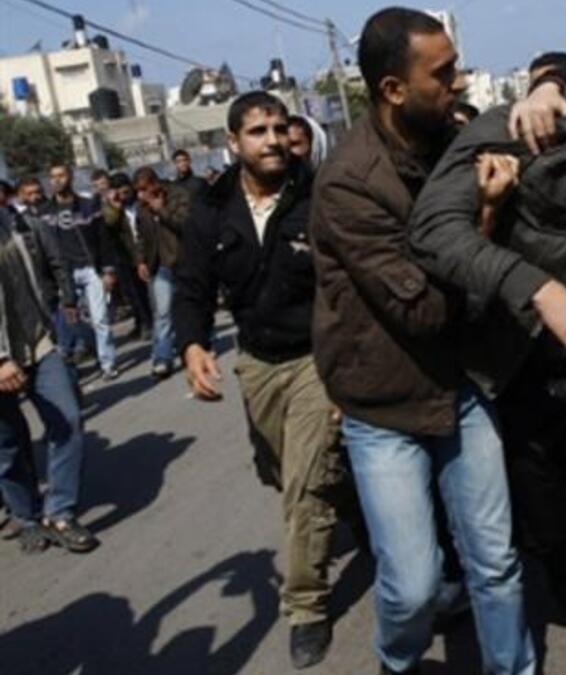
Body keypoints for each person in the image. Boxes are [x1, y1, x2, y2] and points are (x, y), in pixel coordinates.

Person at [412, 18, 566, 674]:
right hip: (514, 377)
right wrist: (542, 291)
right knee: (551, 536)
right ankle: (563, 573)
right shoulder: (519, 126)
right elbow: (434, 230)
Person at [309, 9, 535, 675]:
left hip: (461, 388)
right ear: (392, 90)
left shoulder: (452, 140)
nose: (459, 82)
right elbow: (425, 310)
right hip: (384, 409)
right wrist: (487, 221)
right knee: (410, 586)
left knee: (495, 562)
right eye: (442, 74)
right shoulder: (349, 182)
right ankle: (397, 661)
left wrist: (549, 96)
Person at [173, 91, 348, 669]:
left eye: (279, 128)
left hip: (316, 362)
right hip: (256, 364)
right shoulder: (211, 206)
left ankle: (305, 606)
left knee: (304, 488)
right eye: (257, 131)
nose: (272, 140)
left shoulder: (319, 192)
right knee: (281, 472)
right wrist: (193, 343)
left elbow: (349, 283)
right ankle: (347, 497)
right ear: (232, 142)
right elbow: (193, 284)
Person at [0, 205, 96, 554]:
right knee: (7, 447)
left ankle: (60, 512)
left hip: (37, 341)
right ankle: (26, 517)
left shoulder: (16, 223)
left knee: (67, 419)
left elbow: (43, 270)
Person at [42, 163, 119, 379]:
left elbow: (103, 239)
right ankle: (92, 349)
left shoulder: (88, 205)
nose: (57, 180)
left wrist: (108, 270)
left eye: (61, 176)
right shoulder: (45, 212)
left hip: (90, 268)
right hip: (64, 274)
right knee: (70, 321)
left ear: (71, 177)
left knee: (101, 318)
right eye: (53, 176)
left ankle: (107, 363)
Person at [132, 168, 189, 378]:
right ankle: (163, 358)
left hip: (183, 261)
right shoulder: (141, 208)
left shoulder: (177, 195)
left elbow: (185, 224)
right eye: (138, 191)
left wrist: (161, 210)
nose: (141, 195)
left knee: (189, 309)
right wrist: (140, 261)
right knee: (163, 313)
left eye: (144, 189)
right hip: (160, 266)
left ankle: (195, 346)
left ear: (155, 184)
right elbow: (139, 237)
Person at [101, 172, 154, 341]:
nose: (124, 196)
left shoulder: (141, 204)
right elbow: (109, 227)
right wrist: (114, 207)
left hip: (148, 251)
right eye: (119, 193)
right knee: (135, 294)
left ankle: (152, 322)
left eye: (126, 192)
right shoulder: (114, 210)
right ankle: (144, 322)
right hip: (126, 257)